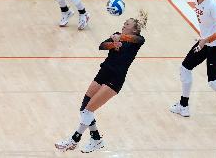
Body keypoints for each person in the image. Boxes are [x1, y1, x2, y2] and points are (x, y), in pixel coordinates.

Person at [55, 10, 148, 153]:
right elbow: (102, 45)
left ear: (134, 29)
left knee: (88, 110)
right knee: (84, 108)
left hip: (115, 79)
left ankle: (74, 140)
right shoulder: (117, 35)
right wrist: (113, 44)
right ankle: (96, 140)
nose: (124, 25)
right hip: (103, 73)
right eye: (124, 23)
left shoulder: (138, 40)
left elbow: (133, 39)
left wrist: (119, 38)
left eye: (127, 24)